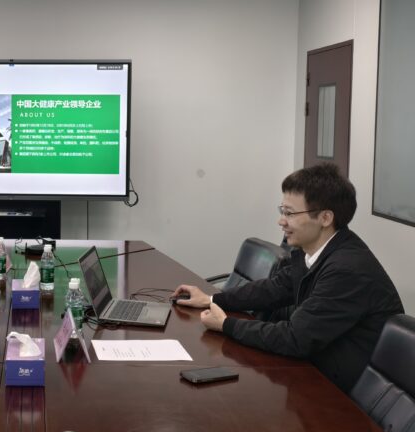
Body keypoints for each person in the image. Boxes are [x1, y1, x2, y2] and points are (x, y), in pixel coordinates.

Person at [172, 163, 404, 393]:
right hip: (315, 371)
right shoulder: (313, 250)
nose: (281, 221)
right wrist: (211, 300)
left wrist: (226, 324)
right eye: (282, 211)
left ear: (325, 218)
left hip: (342, 395)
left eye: (290, 213)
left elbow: (295, 338)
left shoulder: (347, 269)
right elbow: (274, 289)